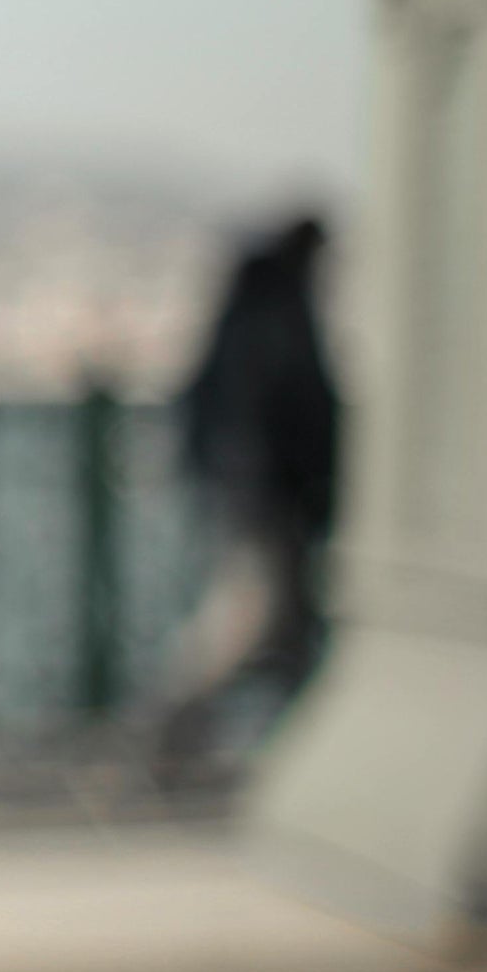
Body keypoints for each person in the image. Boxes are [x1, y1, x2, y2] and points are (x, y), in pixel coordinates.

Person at [154, 212, 341, 774]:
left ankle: (298, 739)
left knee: (282, 623)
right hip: (264, 499)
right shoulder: (278, 315)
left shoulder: (254, 307)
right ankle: (174, 725)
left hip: (255, 495)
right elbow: (281, 415)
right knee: (255, 616)